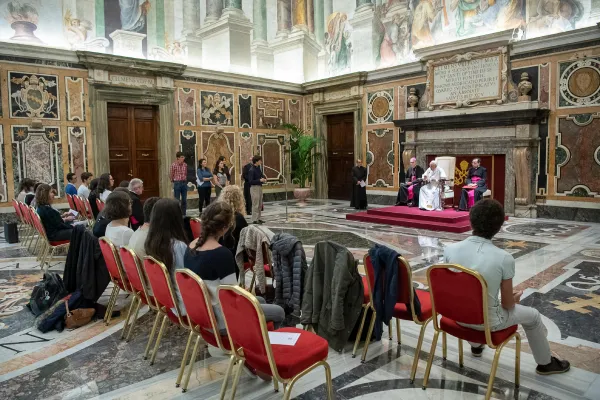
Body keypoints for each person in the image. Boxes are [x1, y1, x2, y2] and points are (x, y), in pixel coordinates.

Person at [444, 199, 570, 375]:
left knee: (470, 303)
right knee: (533, 316)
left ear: (471, 221)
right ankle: (545, 363)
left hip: (456, 315)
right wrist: (514, 298)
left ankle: (476, 346)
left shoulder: (450, 250)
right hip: (489, 322)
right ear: (499, 226)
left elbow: (457, 287)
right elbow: (508, 305)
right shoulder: (504, 258)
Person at [184, 201, 284, 333]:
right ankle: (265, 347)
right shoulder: (222, 254)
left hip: (201, 313)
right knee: (279, 312)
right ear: (226, 227)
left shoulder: (190, 247)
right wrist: (243, 292)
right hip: (222, 320)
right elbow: (232, 298)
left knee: (258, 299)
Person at [145, 198, 189, 314]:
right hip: (184, 304)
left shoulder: (151, 242)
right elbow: (187, 278)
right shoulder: (178, 246)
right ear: (176, 218)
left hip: (167, 300)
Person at [218, 185, 248, 257]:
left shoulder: (218, 215)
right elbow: (247, 241)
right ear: (239, 200)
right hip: (236, 256)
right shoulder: (238, 218)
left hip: (219, 252)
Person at [248, 155, 267, 224]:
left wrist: (264, 179)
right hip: (254, 188)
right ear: (256, 161)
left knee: (259, 204)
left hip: (259, 187)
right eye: (260, 160)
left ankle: (258, 218)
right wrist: (259, 180)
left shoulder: (258, 168)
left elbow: (261, 175)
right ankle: (254, 219)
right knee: (255, 204)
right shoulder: (251, 170)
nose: (261, 162)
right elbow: (250, 181)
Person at [170, 152, 188, 216]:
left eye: (183, 157)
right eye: (182, 157)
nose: (183, 158)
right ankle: (177, 214)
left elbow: (186, 173)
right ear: (178, 158)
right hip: (177, 183)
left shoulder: (185, 165)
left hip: (184, 183)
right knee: (177, 200)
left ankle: (184, 214)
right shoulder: (173, 165)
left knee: (184, 200)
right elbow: (171, 175)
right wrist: (174, 181)